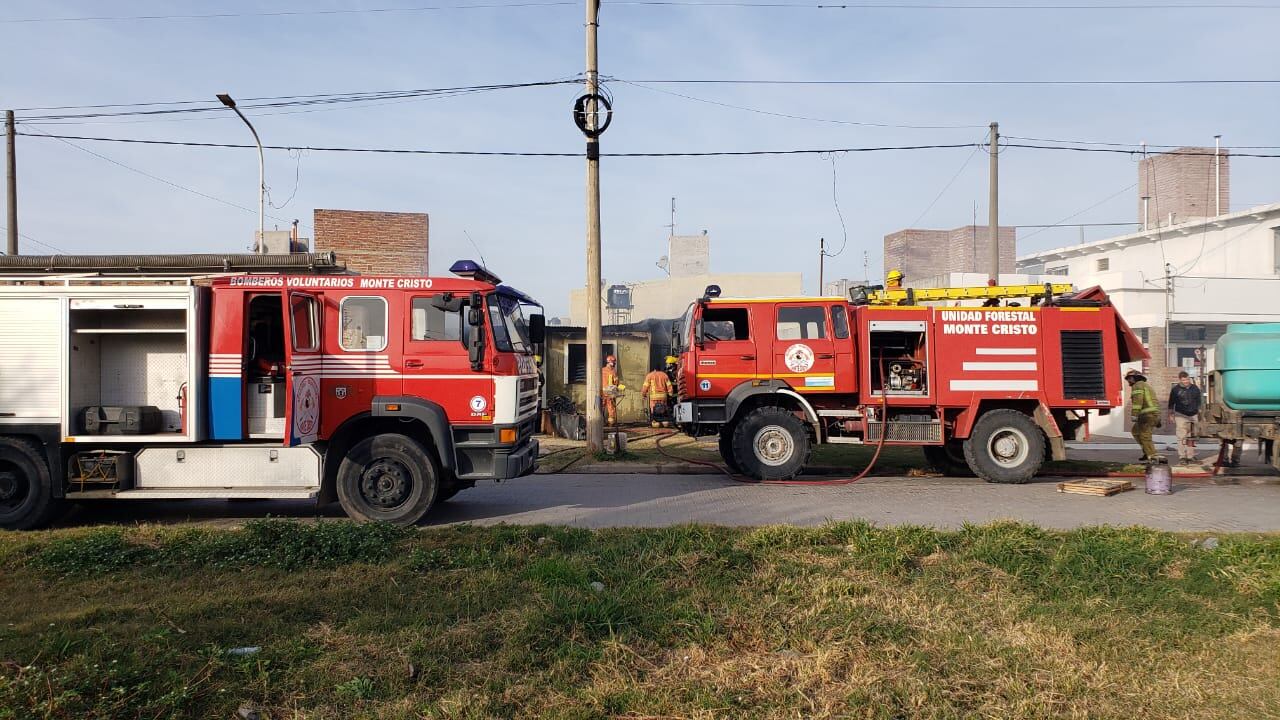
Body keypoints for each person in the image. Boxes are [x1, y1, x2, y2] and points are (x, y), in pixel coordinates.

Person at [1125, 368, 1162, 462]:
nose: (1128, 381)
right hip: (1152, 414)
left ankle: (1153, 456)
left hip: (1147, 415)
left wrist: (1134, 415)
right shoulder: (1145, 385)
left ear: (1135, 378)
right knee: (1136, 431)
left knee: (1145, 435)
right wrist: (1157, 418)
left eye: (1129, 378)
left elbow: (1138, 401)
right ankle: (1147, 451)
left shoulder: (1138, 385)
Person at [1168, 370, 1203, 465]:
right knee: (1181, 436)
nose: (1186, 381)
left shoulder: (1195, 388)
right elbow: (1171, 403)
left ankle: (1190, 456)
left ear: (1189, 378)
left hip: (1193, 415)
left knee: (1191, 437)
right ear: (1180, 380)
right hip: (1181, 415)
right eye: (1183, 380)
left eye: (1187, 379)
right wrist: (1171, 414)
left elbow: (1199, 401)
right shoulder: (1175, 390)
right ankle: (1182, 457)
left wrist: (1200, 413)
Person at [641, 363, 674, 428]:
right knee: (663, 410)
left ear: (654, 369)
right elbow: (669, 386)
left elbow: (645, 386)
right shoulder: (664, 375)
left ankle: (655, 422)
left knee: (654, 411)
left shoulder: (649, 375)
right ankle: (664, 422)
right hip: (663, 397)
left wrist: (643, 394)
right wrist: (670, 394)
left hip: (654, 397)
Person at [601, 355, 622, 426]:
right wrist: (620, 388)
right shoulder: (613, 371)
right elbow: (616, 382)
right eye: (614, 363)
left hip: (602, 393)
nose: (615, 364)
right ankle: (611, 424)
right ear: (611, 362)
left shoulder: (601, 370)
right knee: (611, 409)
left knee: (601, 408)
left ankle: (601, 423)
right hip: (610, 393)